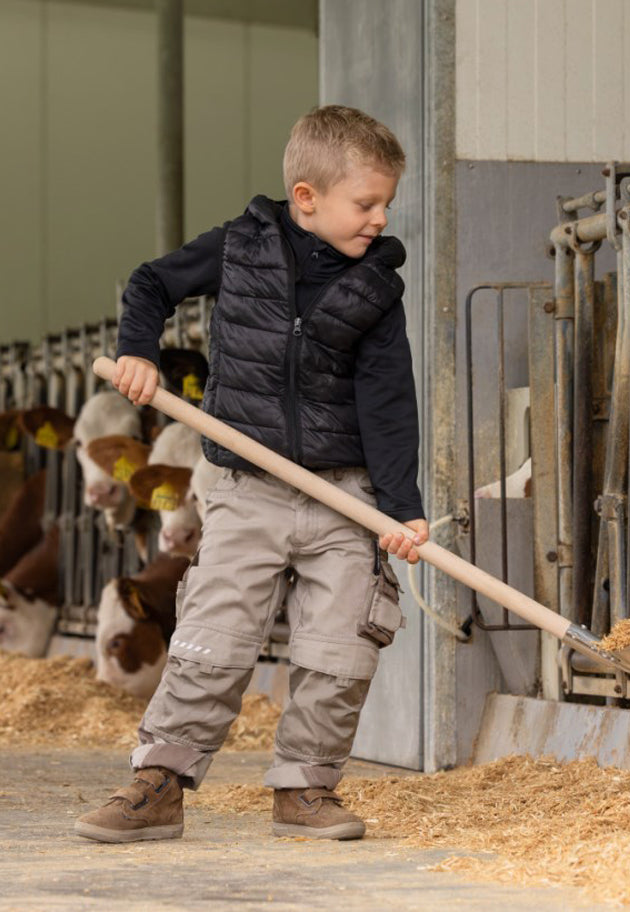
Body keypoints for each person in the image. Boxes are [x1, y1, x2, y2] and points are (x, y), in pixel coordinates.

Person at [75, 105, 428, 843]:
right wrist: (139, 351)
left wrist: (401, 507)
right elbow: (150, 283)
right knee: (214, 634)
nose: (380, 217)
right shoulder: (241, 248)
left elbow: (389, 401)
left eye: (384, 203)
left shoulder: (376, 289)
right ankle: (158, 783)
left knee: (341, 647)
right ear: (307, 198)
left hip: (344, 494)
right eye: (366, 203)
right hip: (246, 487)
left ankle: (306, 788)